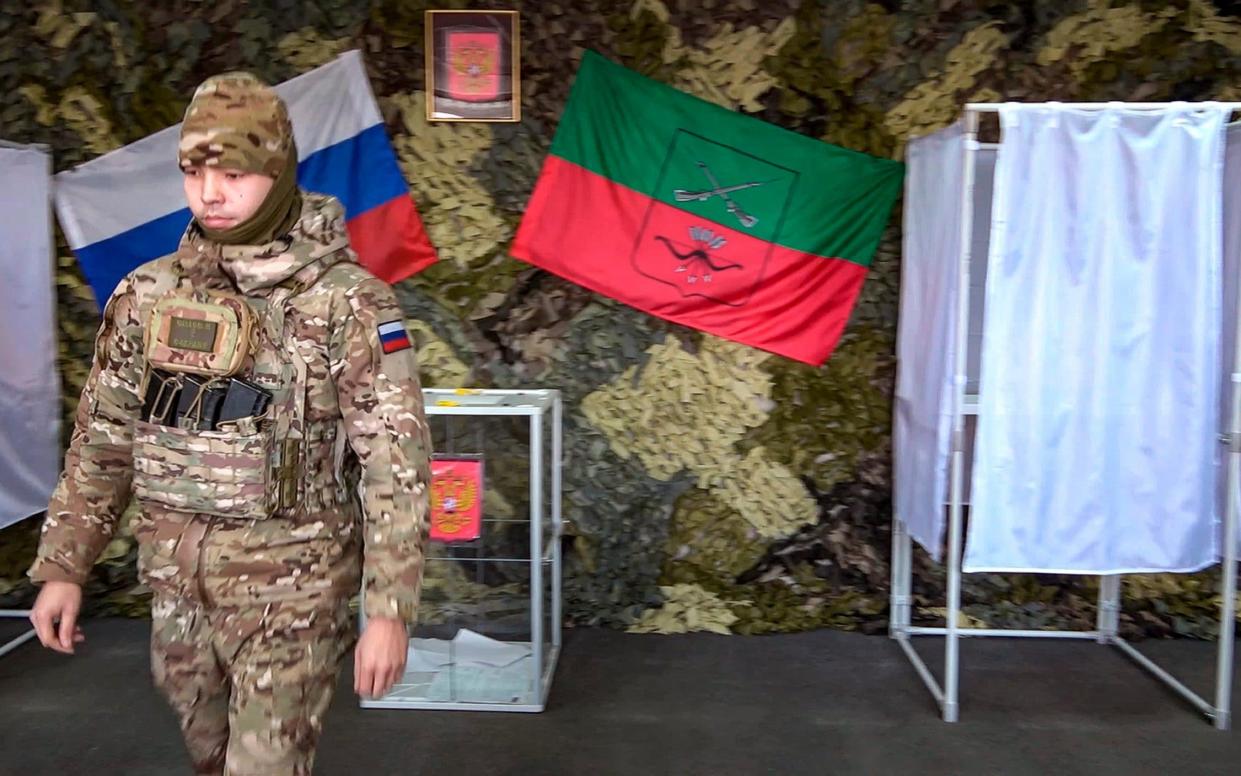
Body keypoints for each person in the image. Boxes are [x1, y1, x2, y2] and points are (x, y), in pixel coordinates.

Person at [26, 72, 431, 775]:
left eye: (234, 173)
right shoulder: (148, 293)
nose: (210, 193)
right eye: (194, 171)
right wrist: (65, 564)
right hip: (178, 591)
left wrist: (388, 609)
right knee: (209, 756)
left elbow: (393, 461)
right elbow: (104, 437)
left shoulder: (348, 304)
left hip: (293, 595)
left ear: (276, 173)